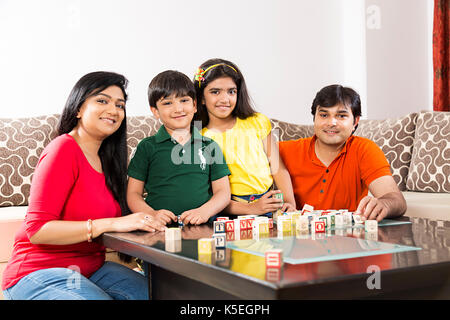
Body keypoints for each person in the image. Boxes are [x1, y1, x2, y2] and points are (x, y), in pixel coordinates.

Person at [1, 71, 165, 300]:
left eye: (120, 105)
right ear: (78, 109)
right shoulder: (63, 150)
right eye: (102, 100)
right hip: (39, 271)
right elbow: (37, 230)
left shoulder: (109, 160)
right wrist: (109, 223)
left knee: (160, 294)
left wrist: (152, 217)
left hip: (91, 269)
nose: (113, 110)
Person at [278, 84, 407, 221]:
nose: (331, 122)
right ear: (314, 118)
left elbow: (397, 201)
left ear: (355, 121)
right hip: (298, 236)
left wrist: (383, 204)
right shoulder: (285, 150)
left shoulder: (365, 150)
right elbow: (259, 144)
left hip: (348, 237)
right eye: (323, 115)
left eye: (341, 115)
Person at [193, 58, 296, 217]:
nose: (225, 99)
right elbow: (208, 194)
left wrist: (289, 202)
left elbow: (278, 168)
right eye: (215, 92)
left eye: (231, 91)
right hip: (230, 209)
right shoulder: (199, 136)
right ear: (201, 98)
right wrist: (251, 208)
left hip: (269, 202)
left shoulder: (257, 122)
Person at [127, 70, 231, 226]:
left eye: (184, 100)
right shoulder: (147, 147)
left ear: (195, 105)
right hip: (159, 227)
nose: (178, 109)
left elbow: (223, 192)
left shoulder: (210, 146)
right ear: (155, 111)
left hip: (202, 226)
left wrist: (204, 212)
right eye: (168, 103)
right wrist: (152, 214)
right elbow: (133, 194)